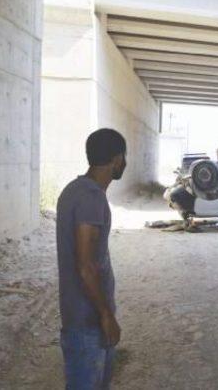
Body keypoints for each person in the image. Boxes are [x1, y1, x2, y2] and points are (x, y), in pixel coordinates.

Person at [56, 129, 127, 389]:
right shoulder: (90, 198)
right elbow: (86, 266)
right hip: (88, 324)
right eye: (123, 157)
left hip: (83, 319)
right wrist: (106, 315)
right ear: (117, 158)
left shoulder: (74, 190)